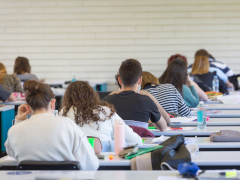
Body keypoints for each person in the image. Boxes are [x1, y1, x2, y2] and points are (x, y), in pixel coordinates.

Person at [5, 80, 99, 170]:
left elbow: (12, 152)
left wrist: (19, 120)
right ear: (53, 103)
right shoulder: (67, 125)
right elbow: (91, 165)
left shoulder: (14, 131)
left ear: (27, 108)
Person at [59, 81, 142, 146]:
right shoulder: (106, 111)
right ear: (93, 94)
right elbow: (135, 140)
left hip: (76, 162)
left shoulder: (63, 112)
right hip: (107, 160)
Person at [103, 59, 168, 131]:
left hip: (116, 142)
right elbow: (163, 127)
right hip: (141, 142)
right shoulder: (147, 101)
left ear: (119, 80)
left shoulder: (107, 101)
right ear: (140, 80)